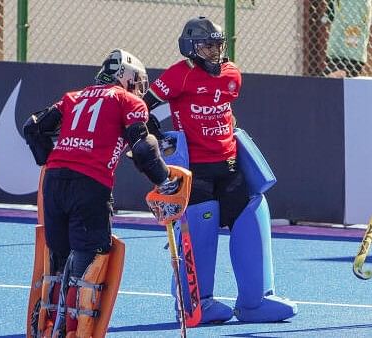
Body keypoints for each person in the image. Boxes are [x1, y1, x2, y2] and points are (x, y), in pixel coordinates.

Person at [142, 16, 298, 324]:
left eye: (217, 45)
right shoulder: (178, 75)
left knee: (252, 213)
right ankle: (195, 303)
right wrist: (157, 135)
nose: (214, 52)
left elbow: (225, 110)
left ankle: (254, 302)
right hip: (196, 172)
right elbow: (142, 107)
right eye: (207, 46)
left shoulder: (232, 74)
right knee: (201, 228)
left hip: (229, 166)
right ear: (191, 47)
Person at [23, 49, 178, 336]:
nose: (140, 88)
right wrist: (164, 180)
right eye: (139, 81)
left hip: (54, 181)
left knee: (58, 256)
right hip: (90, 184)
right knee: (91, 256)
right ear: (127, 77)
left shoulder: (73, 97)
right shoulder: (129, 100)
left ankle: (45, 322)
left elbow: (32, 127)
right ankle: (73, 329)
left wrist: (50, 158)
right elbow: (143, 148)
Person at [322, 0, 372, 78]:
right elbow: (327, 17)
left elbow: (325, 19)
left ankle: (343, 72)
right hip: (343, 55)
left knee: (329, 80)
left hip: (346, 55)